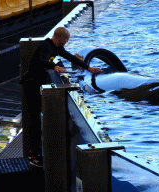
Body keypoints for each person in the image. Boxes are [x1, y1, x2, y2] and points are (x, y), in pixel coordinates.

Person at [20, 27, 101, 167]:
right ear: (59, 38)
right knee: (34, 122)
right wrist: (55, 66)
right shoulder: (46, 45)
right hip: (31, 85)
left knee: (39, 120)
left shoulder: (57, 48)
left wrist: (88, 68)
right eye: (66, 39)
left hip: (37, 85)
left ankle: (35, 153)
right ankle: (32, 156)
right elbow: (42, 60)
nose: (67, 42)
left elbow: (70, 57)